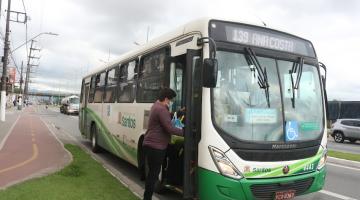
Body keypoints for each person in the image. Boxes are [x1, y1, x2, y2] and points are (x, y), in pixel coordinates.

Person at [142, 88, 183, 200]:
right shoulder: (161, 109)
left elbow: (166, 116)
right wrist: (186, 133)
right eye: (170, 100)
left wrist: (177, 113)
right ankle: (147, 198)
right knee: (153, 175)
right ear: (166, 98)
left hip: (152, 145)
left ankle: (172, 177)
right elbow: (169, 128)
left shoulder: (156, 106)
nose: (171, 102)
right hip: (156, 146)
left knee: (173, 154)